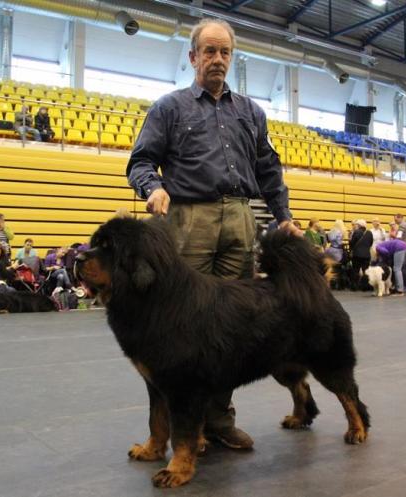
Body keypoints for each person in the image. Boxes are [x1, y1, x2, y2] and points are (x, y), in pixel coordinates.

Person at [126, 18, 301, 451]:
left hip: (242, 219)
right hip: (188, 220)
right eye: (209, 51)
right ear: (192, 57)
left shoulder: (251, 112)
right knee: (181, 329)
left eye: (224, 52)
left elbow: (268, 170)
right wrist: (154, 189)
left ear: (231, 57)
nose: (217, 59)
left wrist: (283, 216)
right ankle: (181, 429)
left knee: (231, 328)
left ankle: (218, 421)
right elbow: (140, 163)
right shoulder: (169, 108)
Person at [349, 219, 373, 290]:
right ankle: (366, 287)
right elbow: (371, 243)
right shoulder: (369, 233)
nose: (355, 226)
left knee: (355, 270)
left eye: (356, 224)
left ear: (359, 225)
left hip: (357, 255)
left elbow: (352, 243)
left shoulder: (356, 232)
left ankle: (354, 287)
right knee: (365, 271)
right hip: (367, 255)